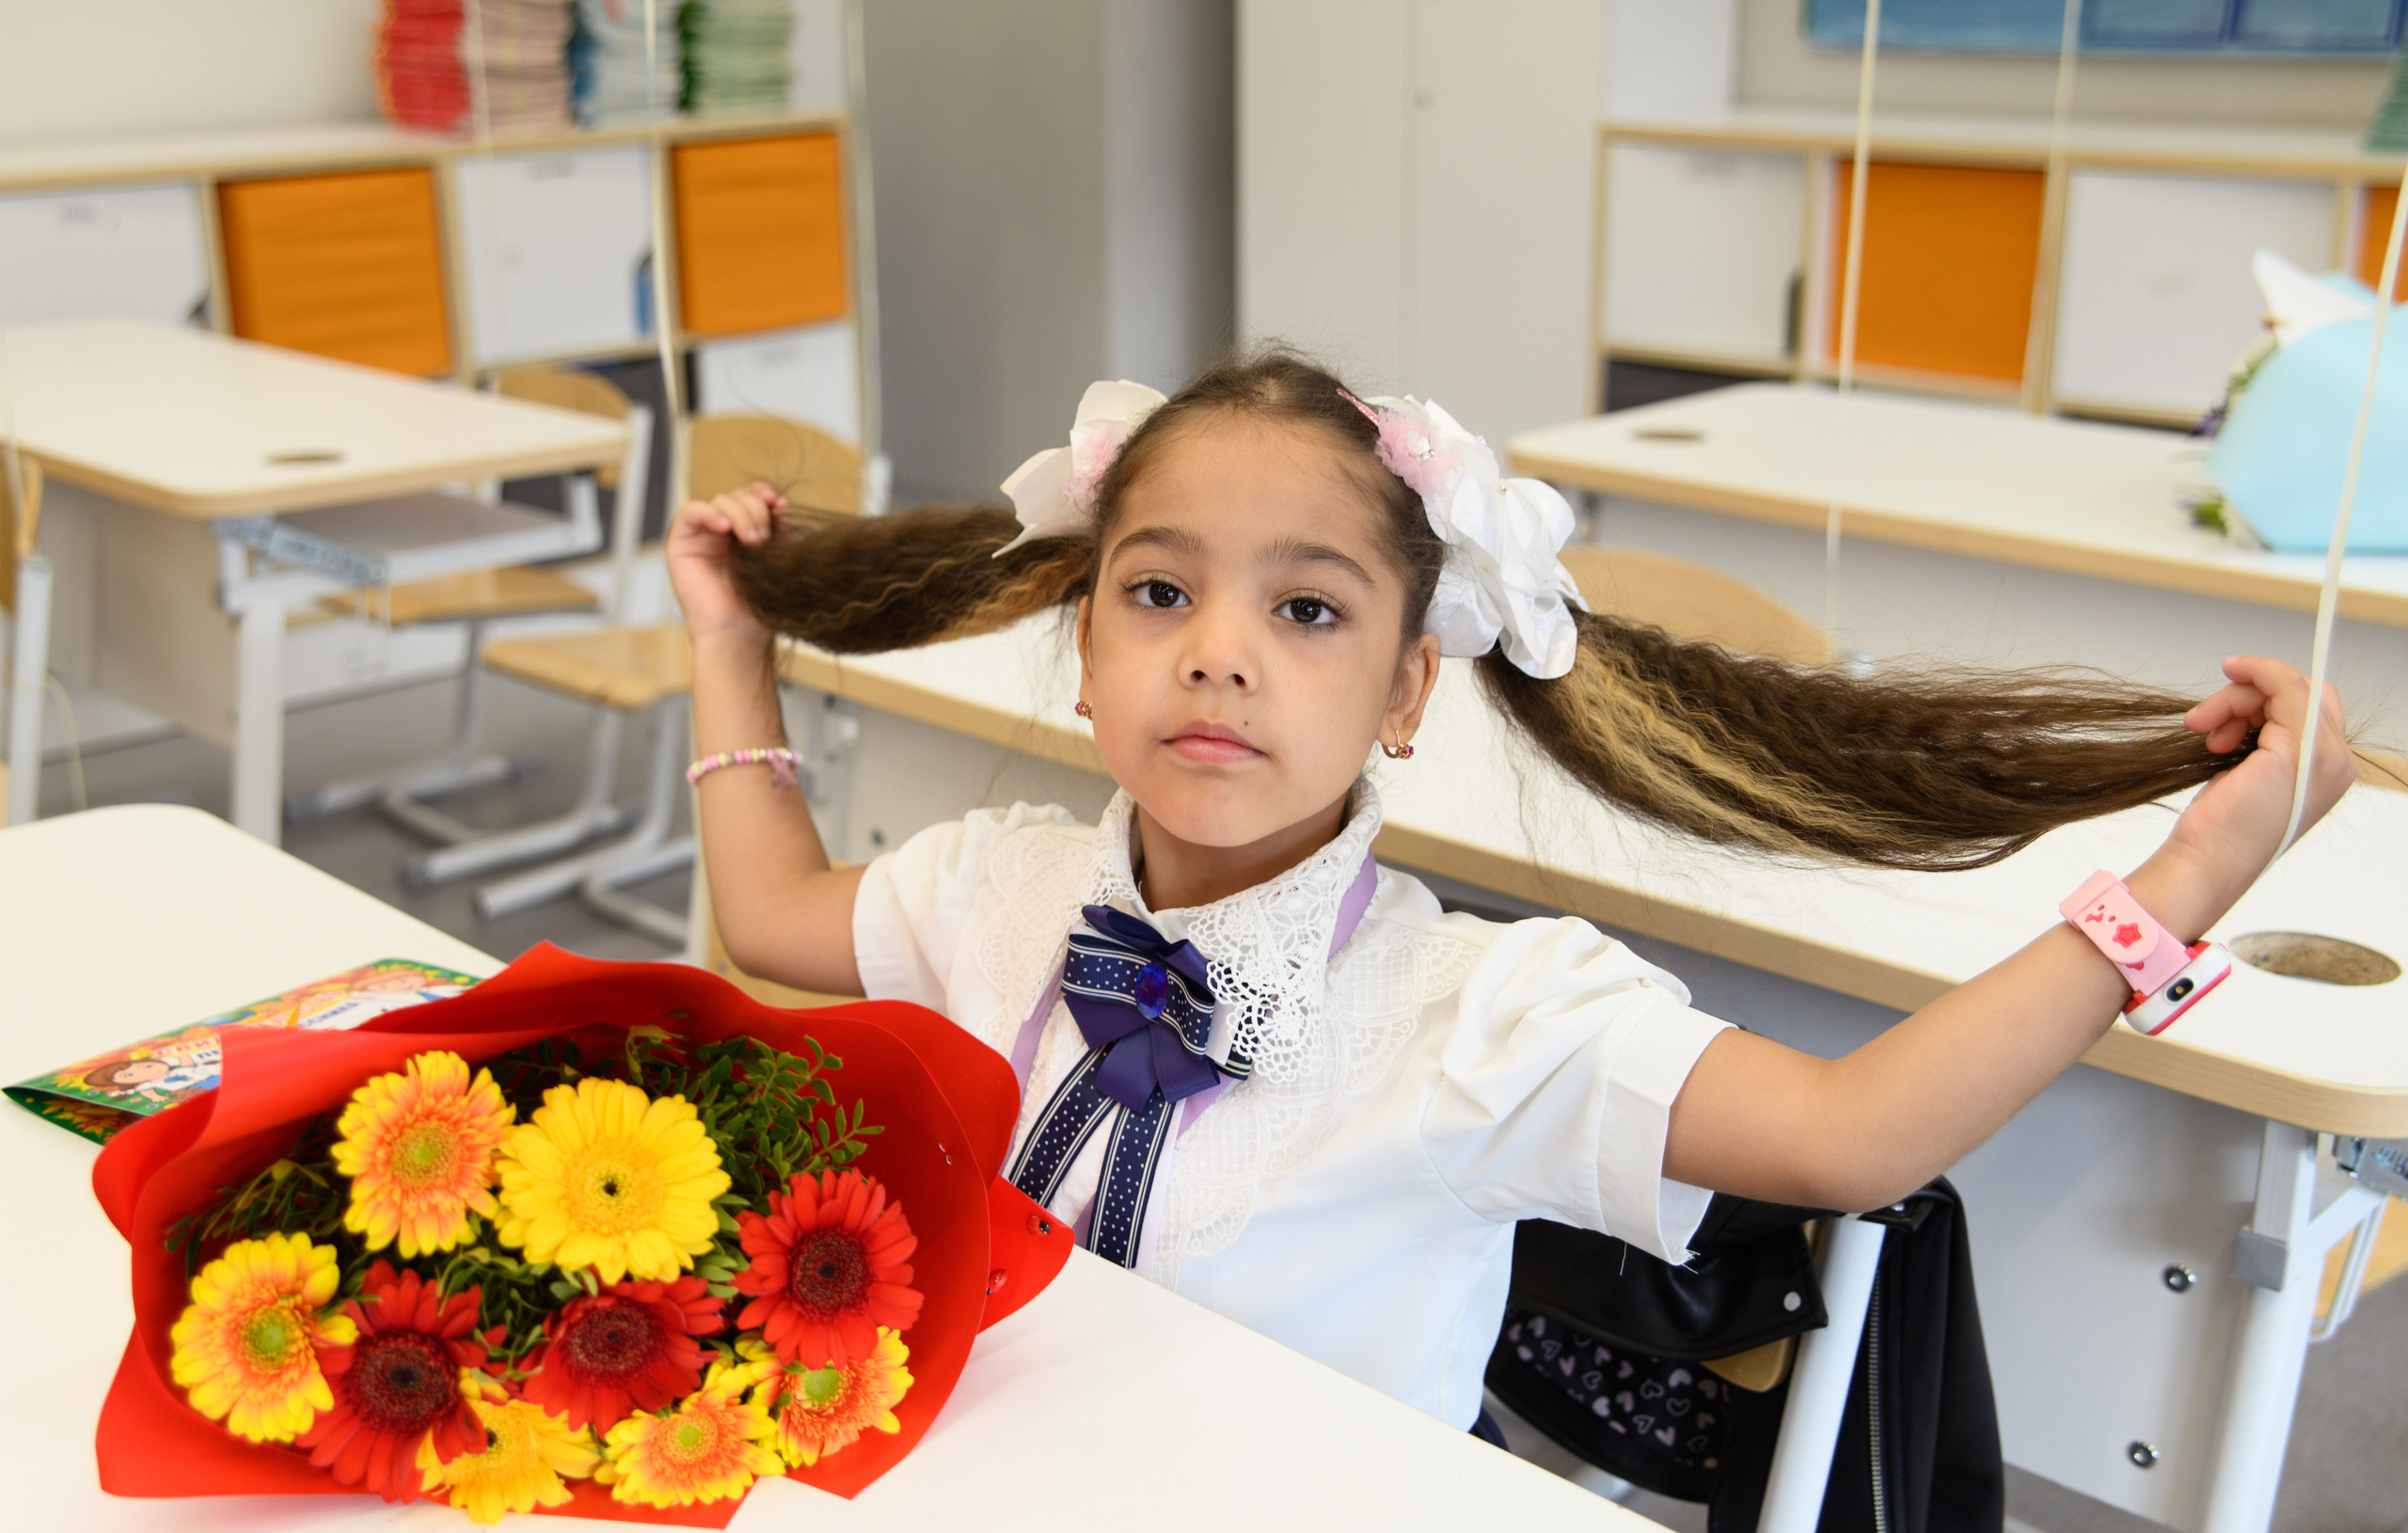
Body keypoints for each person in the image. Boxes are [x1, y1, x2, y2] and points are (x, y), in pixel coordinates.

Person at [666, 351, 2356, 1431]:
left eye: (1308, 611)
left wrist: (2191, 877)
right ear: (1085, 645)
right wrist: (730, 639)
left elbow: (1856, 1137)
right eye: (1160, 592)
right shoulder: (997, 886)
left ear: (1409, 691)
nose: (1220, 653)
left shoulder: (1483, 1012)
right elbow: (771, 912)